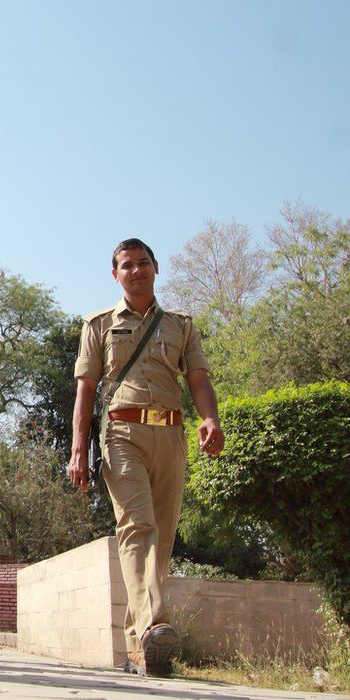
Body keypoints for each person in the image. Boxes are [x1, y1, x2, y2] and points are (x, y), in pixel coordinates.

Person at [67, 238, 225, 677]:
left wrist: (209, 418)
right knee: (138, 526)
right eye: (126, 265)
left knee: (162, 539)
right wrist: (80, 448)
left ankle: (140, 647)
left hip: (171, 433)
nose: (135, 270)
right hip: (121, 433)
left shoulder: (181, 325)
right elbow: (85, 389)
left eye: (143, 263)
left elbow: (198, 378)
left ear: (156, 268)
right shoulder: (98, 324)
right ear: (115, 274)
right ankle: (156, 625)